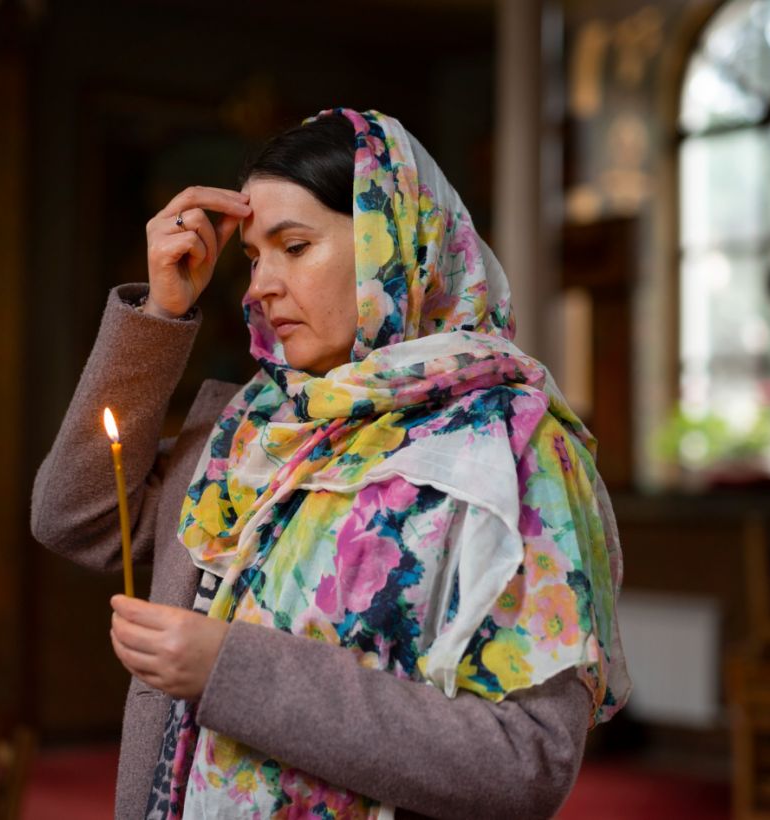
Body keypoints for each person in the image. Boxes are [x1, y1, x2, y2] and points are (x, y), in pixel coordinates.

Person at [31, 108, 630, 820]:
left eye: (294, 246)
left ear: (392, 244)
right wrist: (160, 314)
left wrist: (232, 669)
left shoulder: (510, 448)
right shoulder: (255, 427)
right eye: (254, 257)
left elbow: (525, 761)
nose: (259, 287)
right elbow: (75, 518)